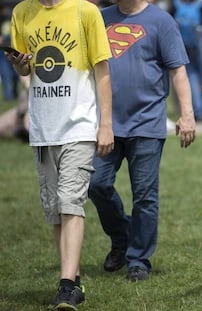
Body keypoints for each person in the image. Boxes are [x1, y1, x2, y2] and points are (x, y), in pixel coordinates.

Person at [9, 0, 114, 309]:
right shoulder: (22, 12)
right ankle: (74, 280)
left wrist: (105, 124)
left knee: (70, 202)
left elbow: (102, 69)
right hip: (43, 128)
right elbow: (26, 66)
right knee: (55, 209)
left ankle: (66, 285)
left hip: (78, 126)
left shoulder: (85, 11)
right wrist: (20, 66)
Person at [88, 0, 196, 282]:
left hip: (147, 124)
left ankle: (138, 259)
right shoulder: (99, 18)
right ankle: (122, 237)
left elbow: (178, 71)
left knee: (145, 197)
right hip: (107, 123)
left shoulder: (162, 21)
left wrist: (187, 115)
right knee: (96, 184)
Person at [169, 0, 202, 121]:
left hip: (184, 44)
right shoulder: (201, 5)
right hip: (200, 42)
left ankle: (197, 111)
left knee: (191, 76)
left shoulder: (175, 5)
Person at [0, 4, 19, 101]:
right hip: (2, 51)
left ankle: (15, 93)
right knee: (5, 74)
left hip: (13, 48)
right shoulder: (1, 19)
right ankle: (8, 97)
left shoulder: (14, 15)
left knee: (16, 74)